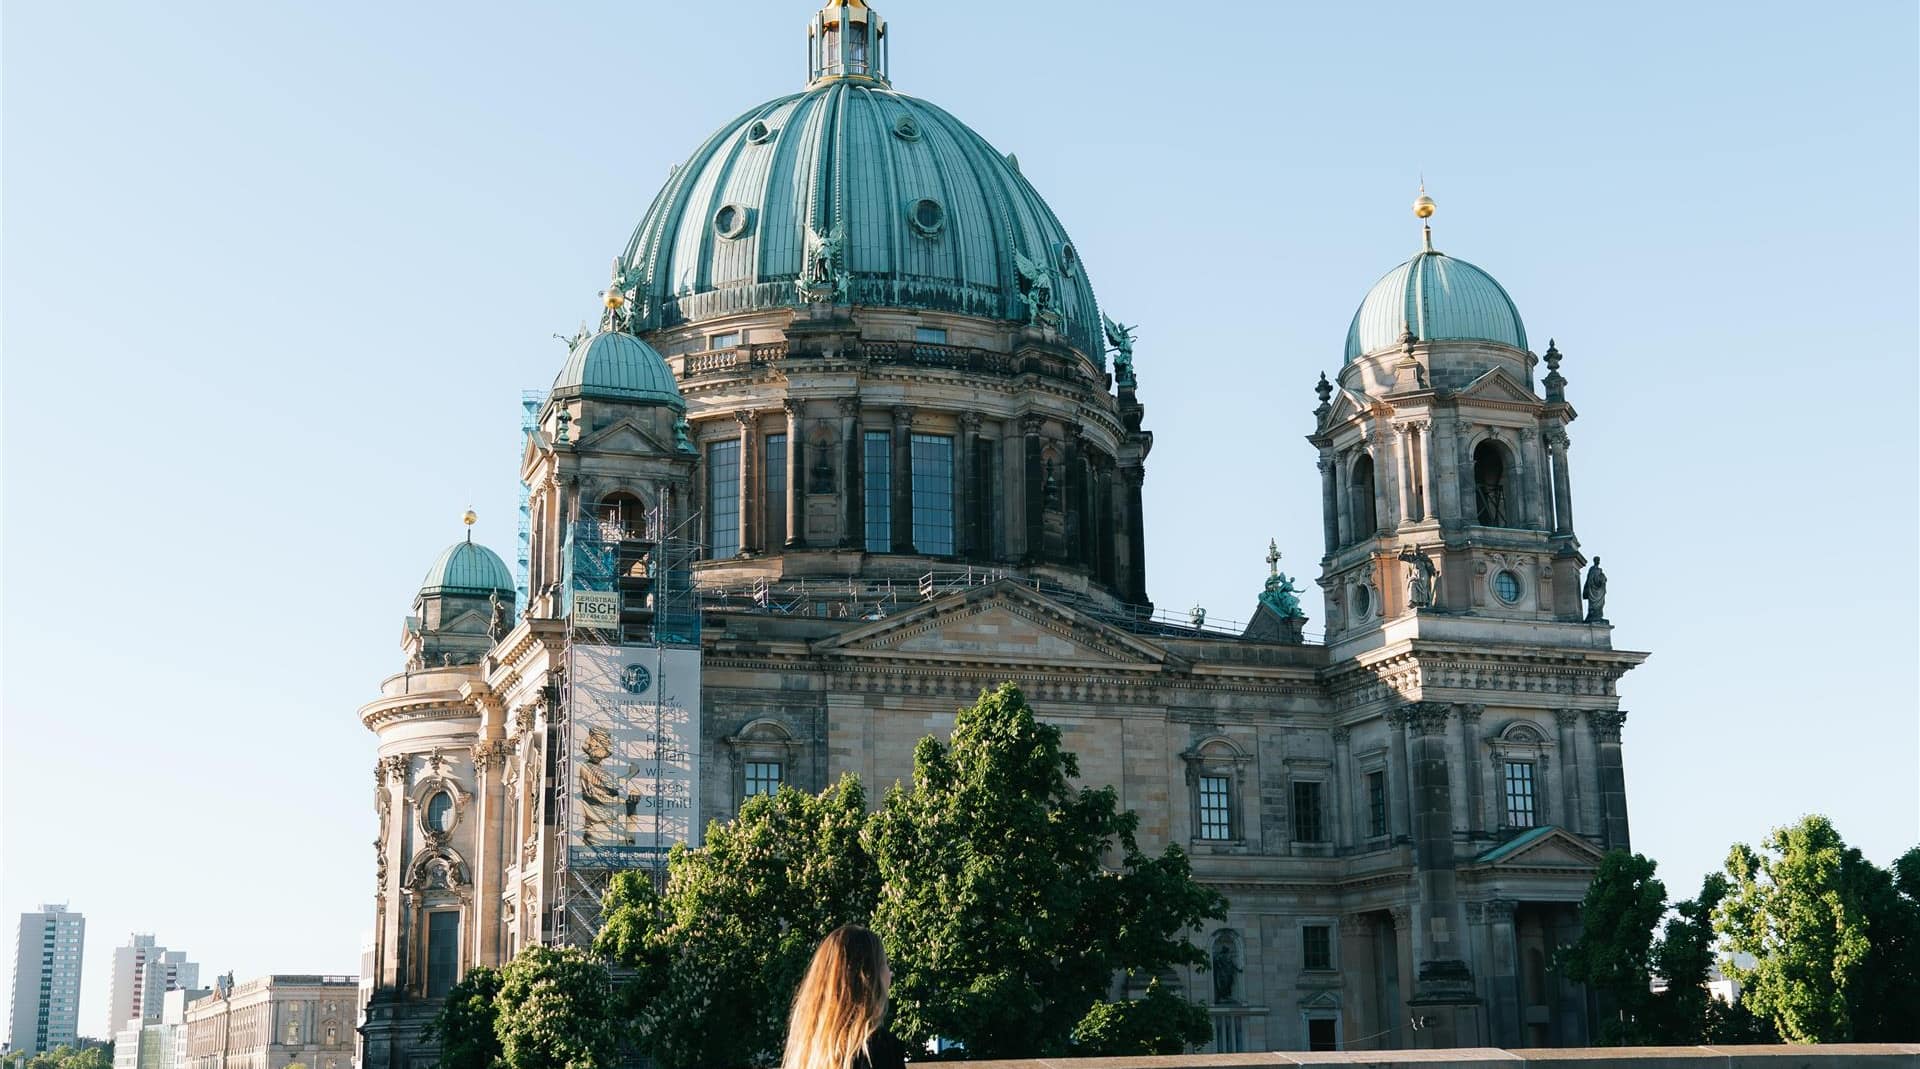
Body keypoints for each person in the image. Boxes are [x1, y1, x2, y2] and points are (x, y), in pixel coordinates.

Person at [783, 924, 905, 1069]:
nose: (890, 974)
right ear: (868, 977)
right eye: (885, 964)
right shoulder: (878, 1047)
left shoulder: (808, 1047)